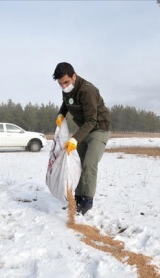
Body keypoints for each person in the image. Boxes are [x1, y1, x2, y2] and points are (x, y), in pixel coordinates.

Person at [53, 62, 111, 215]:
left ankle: (87, 201)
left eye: (66, 82)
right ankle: (76, 198)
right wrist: (61, 113)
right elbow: (66, 103)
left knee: (89, 164)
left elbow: (92, 120)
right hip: (85, 130)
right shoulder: (67, 89)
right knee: (78, 164)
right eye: (61, 84)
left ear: (74, 75)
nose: (64, 87)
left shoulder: (87, 90)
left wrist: (75, 139)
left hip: (99, 129)